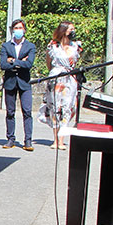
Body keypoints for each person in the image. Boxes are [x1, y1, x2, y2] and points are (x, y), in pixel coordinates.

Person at [42, 22, 82, 150]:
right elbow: (49, 63)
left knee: (67, 107)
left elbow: (76, 63)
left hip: (70, 79)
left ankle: (61, 140)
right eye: (71, 29)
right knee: (54, 107)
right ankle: (55, 139)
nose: (73, 31)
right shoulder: (53, 46)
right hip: (56, 79)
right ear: (64, 31)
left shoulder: (76, 46)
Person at [0, 18, 37, 151]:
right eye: (15, 28)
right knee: (10, 112)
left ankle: (28, 140)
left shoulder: (30, 46)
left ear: (24, 30)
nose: (18, 31)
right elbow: (3, 64)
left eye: (20, 28)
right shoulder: (6, 46)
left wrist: (13, 61)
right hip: (10, 82)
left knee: (27, 111)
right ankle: (10, 139)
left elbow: (29, 64)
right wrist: (20, 61)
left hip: (24, 82)